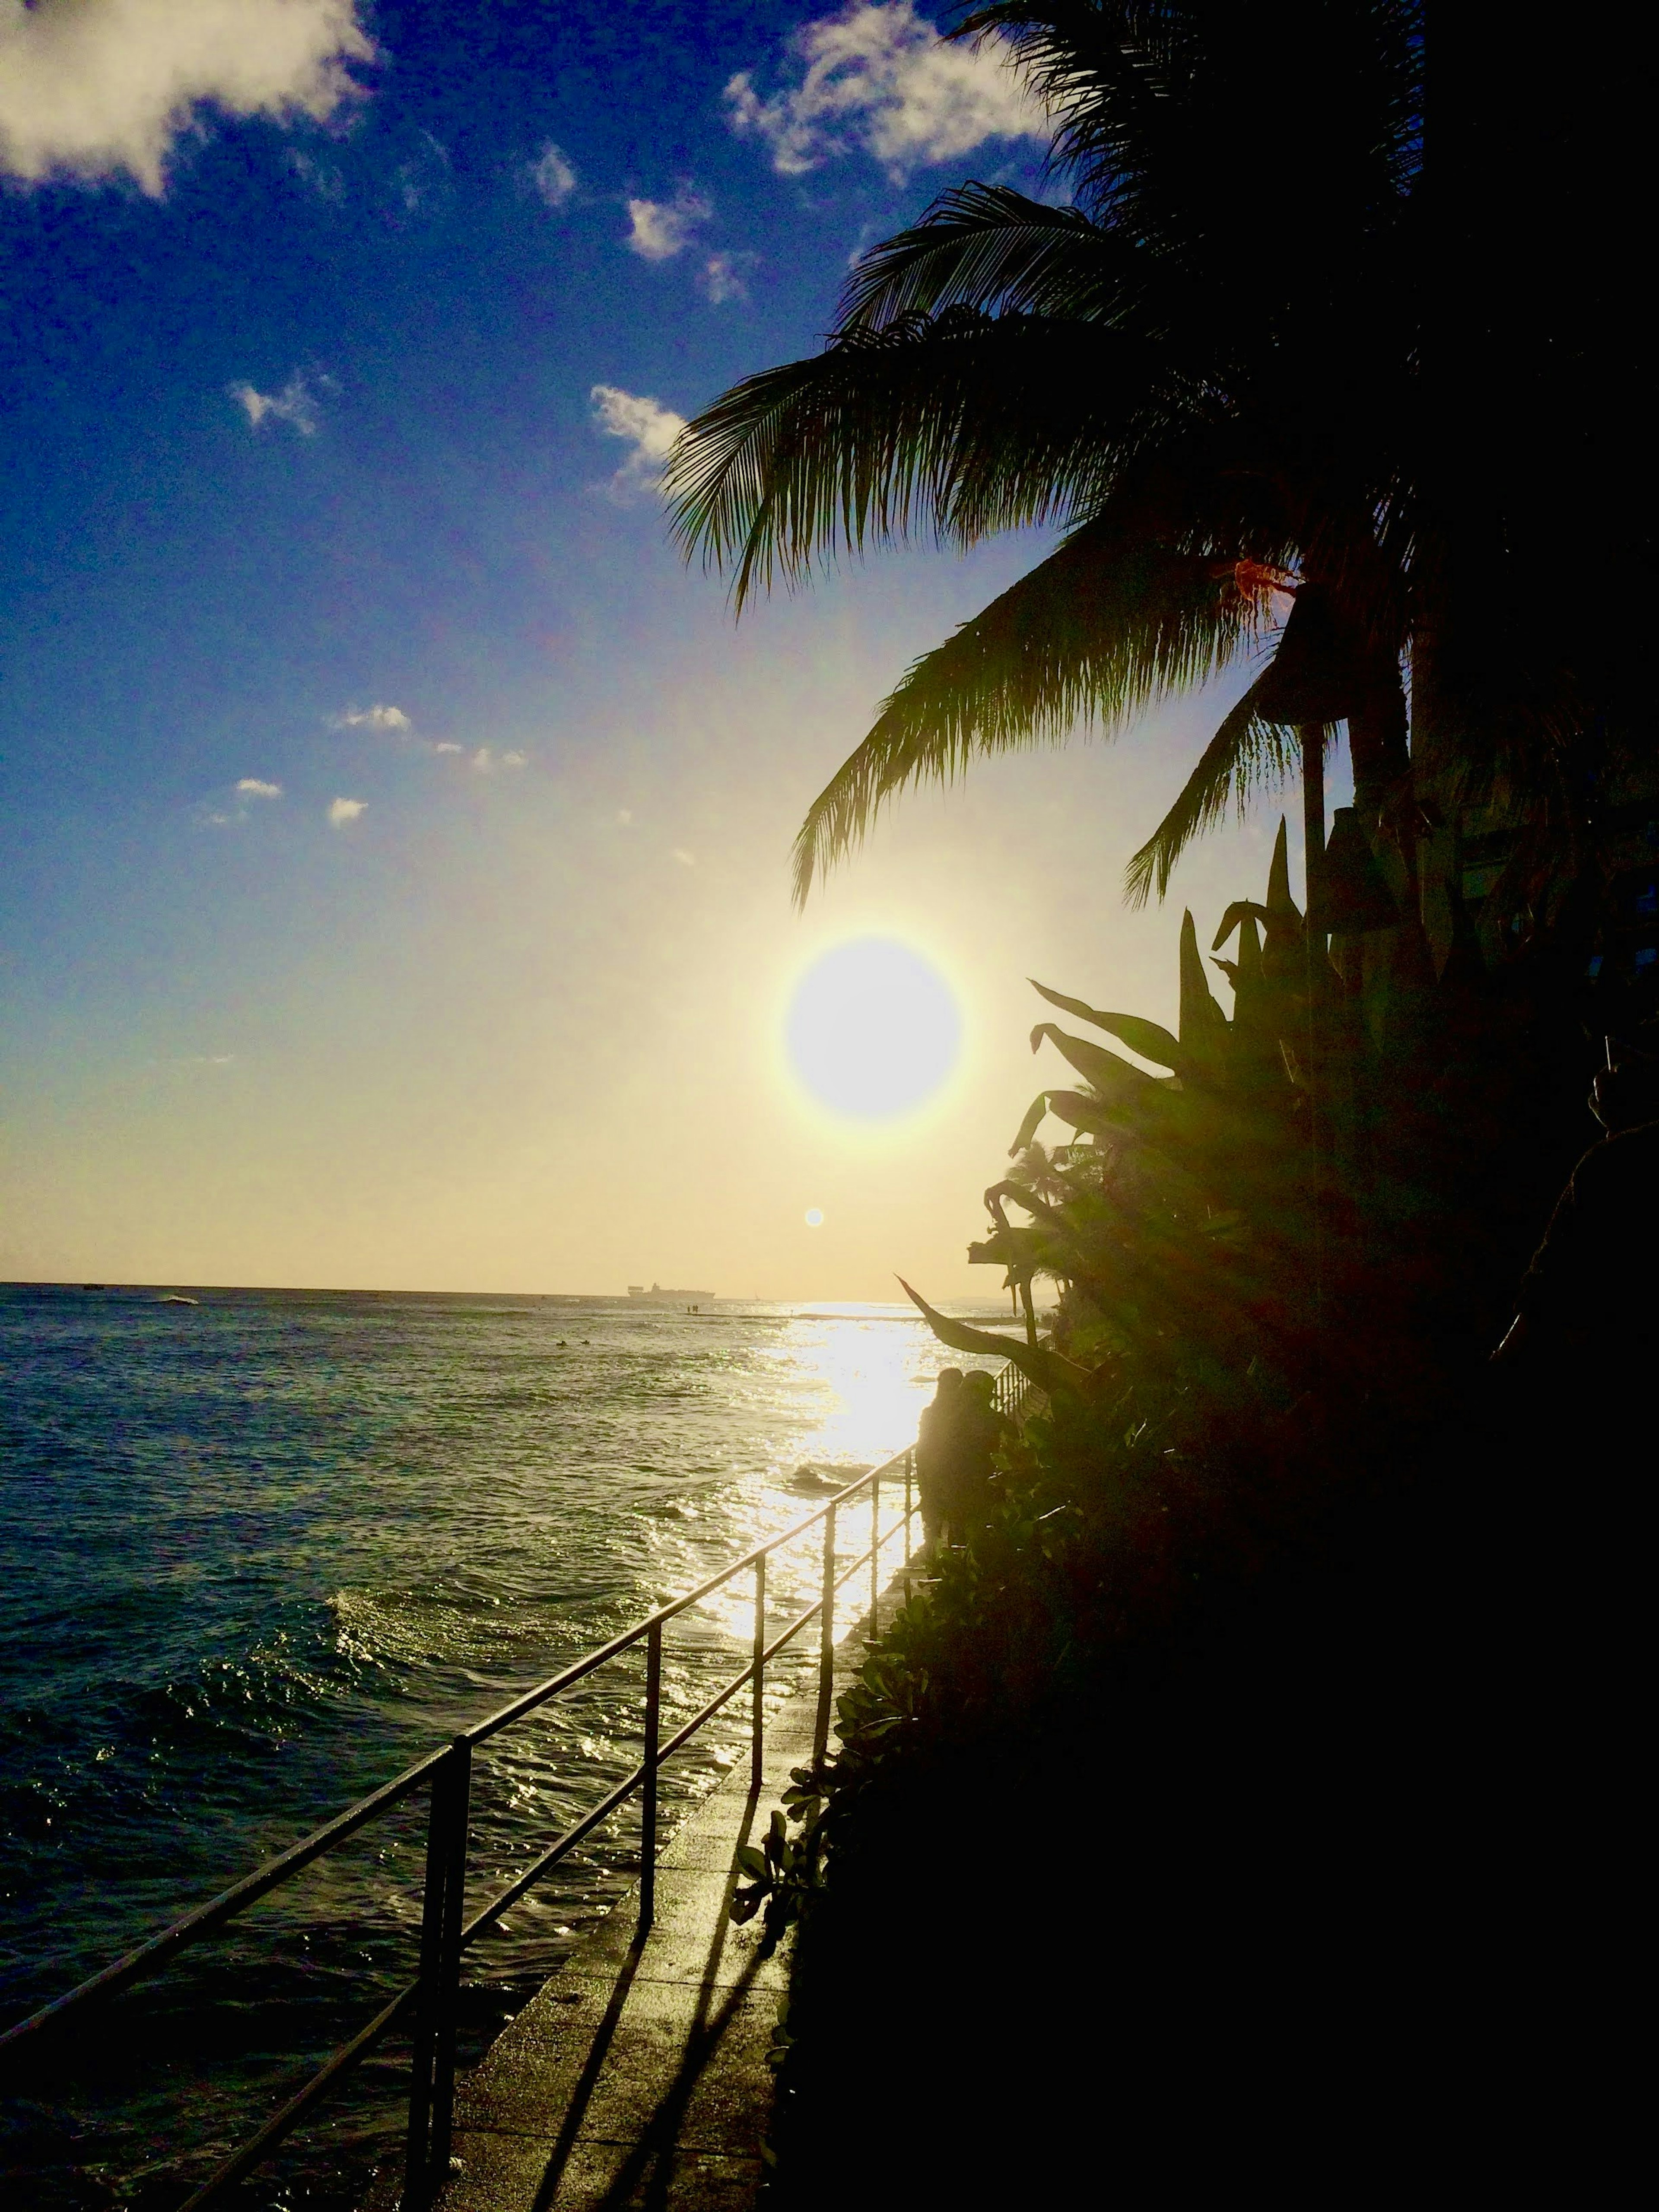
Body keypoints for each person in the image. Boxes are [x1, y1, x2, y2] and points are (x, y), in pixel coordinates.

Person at [914, 1368, 965, 1545]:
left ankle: (935, 1563)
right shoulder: (964, 1414)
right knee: (956, 1524)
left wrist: (923, 1480)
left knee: (933, 1524)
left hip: (935, 1472)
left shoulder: (930, 1412)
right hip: (956, 1474)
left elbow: (922, 1449)